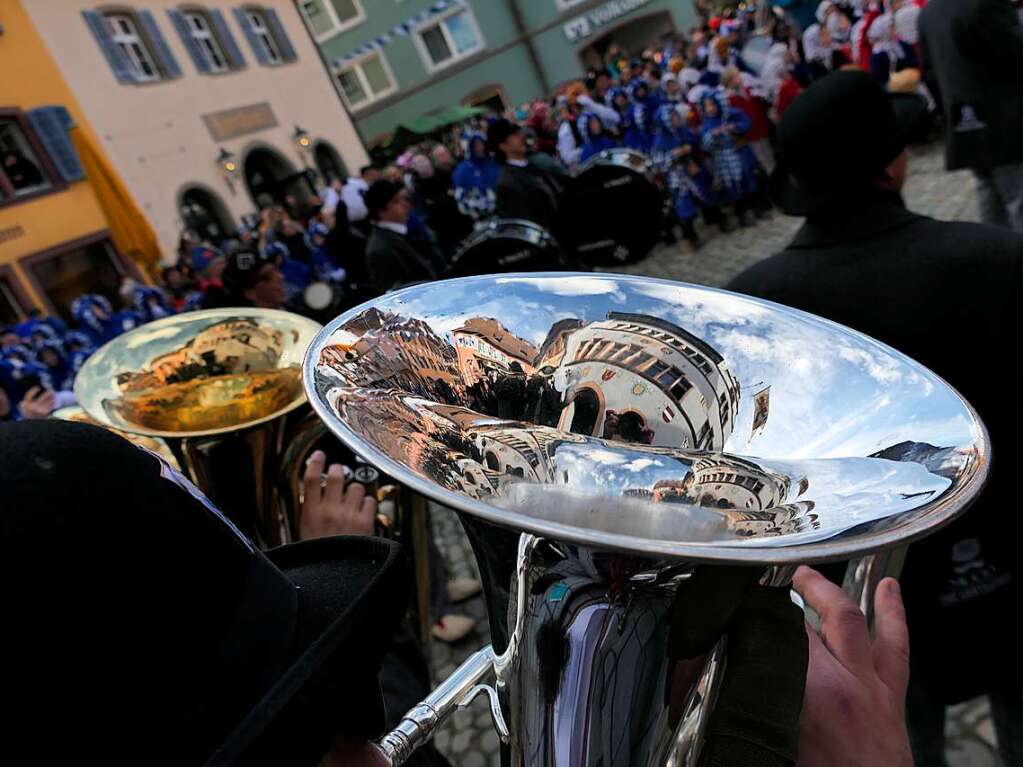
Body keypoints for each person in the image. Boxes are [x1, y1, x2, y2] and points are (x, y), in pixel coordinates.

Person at [726, 70, 1023, 766]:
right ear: (893, 162)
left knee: (890, 733)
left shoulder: (752, 308)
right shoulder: (998, 257)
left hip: (853, 598)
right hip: (1008, 568)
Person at [919, 0, 1023, 231]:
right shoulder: (984, 4)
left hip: (963, 123)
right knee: (1017, 198)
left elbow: (929, 74)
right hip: (1007, 121)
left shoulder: (929, 13)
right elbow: (1016, 52)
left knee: (989, 196)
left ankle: (999, 259)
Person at [363, 179, 443, 296]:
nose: (406, 205)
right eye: (396, 201)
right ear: (381, 211)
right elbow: (393, 295)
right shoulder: (379, 249)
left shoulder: (397, 233)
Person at [491, 118, 566, 236]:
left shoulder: (535, 165)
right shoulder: (507, 183)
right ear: (503, 146)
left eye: (518, 133)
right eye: (514, 135)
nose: (521, 137)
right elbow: (523, 227)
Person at [201, 249, 288, 310]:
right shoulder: (259, 333)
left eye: (276, 270)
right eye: (267, 277)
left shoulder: (294, 307)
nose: (280, 277)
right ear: (250, 293)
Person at [453, 132, 500, 221]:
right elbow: (461, 196)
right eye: (476, 146)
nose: (480, 148)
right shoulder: (462, 170)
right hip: (482, 218)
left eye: (482, 144)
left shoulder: (493, 163)